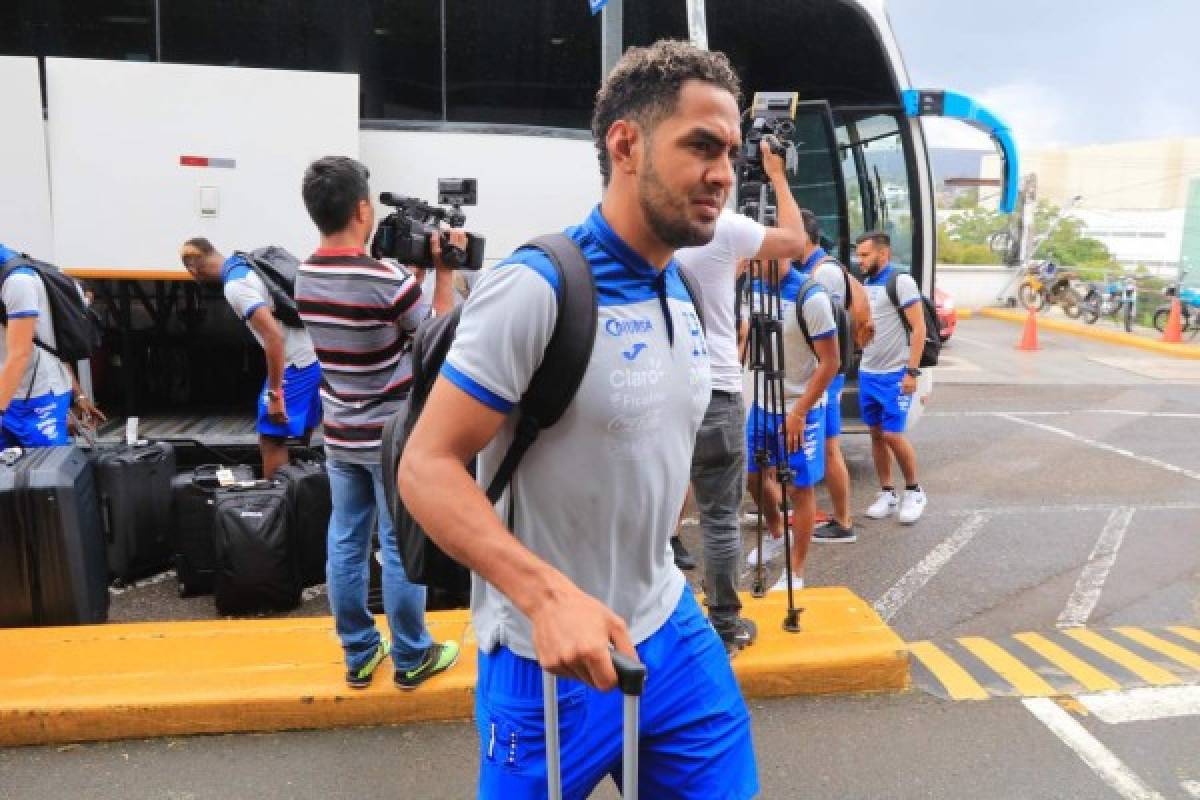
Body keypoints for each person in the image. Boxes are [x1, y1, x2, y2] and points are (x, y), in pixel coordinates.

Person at [399, 41, 758, 799]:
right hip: (545, 660)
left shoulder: (679, 288)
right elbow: (426, 466)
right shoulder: (535, 288)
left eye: (731, 152)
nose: (724, 174)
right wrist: (547, 594)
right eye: (701, 146)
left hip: (669, 628)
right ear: (625, 145)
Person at [296, 156, 460, 690]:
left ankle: (361, 651)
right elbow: (433, 335)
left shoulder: (305, 273)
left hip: (339, 430)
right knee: (396, 542)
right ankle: (413, 654)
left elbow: (378, 317)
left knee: (345, 538)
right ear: (363, 208)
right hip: (390, 434)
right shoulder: (385, 278)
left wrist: (408, 279)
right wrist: (443, 273)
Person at [673, 138, 809, 654]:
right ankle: (724, 624)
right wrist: (776, 174)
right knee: (720, 517)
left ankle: (653, 619)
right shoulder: (725, 230)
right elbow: (795, 241)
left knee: (654, 510)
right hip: (719, 393)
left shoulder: (659, 226)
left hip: (665, 389)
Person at [741, 229, 841, 592]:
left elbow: (831, 363)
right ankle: (773, 531)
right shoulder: (753, 288)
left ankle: (796, 572)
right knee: (753, 478)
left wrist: (799, 412)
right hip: (762, 403)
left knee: (799, 489)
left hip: (800, 408)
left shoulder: (810, 298)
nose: (752, 263)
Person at [179, 238, 322, 478]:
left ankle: (279, 505)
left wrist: (275, 393)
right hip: (312, 356)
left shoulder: (236, 286)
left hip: (296, 364)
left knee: (271, 439)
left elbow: (274, 337)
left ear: (193, 270)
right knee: (300, 437)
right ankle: (304, 497)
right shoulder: (243, 262)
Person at [791, 210, 875, 545]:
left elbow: (820, 332)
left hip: (824, 377)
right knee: (824, 447)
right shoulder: (820, 267)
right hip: (825, 375)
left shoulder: (823, 272)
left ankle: (842, 521)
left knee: (828, 448)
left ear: (804, 236)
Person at [855, 231, 927, 524]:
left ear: (883, 255)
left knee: (893, 435)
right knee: (875, 435)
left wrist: (911, 371)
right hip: (867, 372)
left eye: (864, 255)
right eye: (859, 255)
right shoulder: (865, 285)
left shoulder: (901, 282)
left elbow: (919, 328)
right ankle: (887, 492)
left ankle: (914, 491)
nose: (859, 260)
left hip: (895, 374)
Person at [1, 242, 103, 448]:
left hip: (38, 398)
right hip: (9, 396)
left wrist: (77, 395)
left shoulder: (18, 281)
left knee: (47, 472)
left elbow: (21, 353)